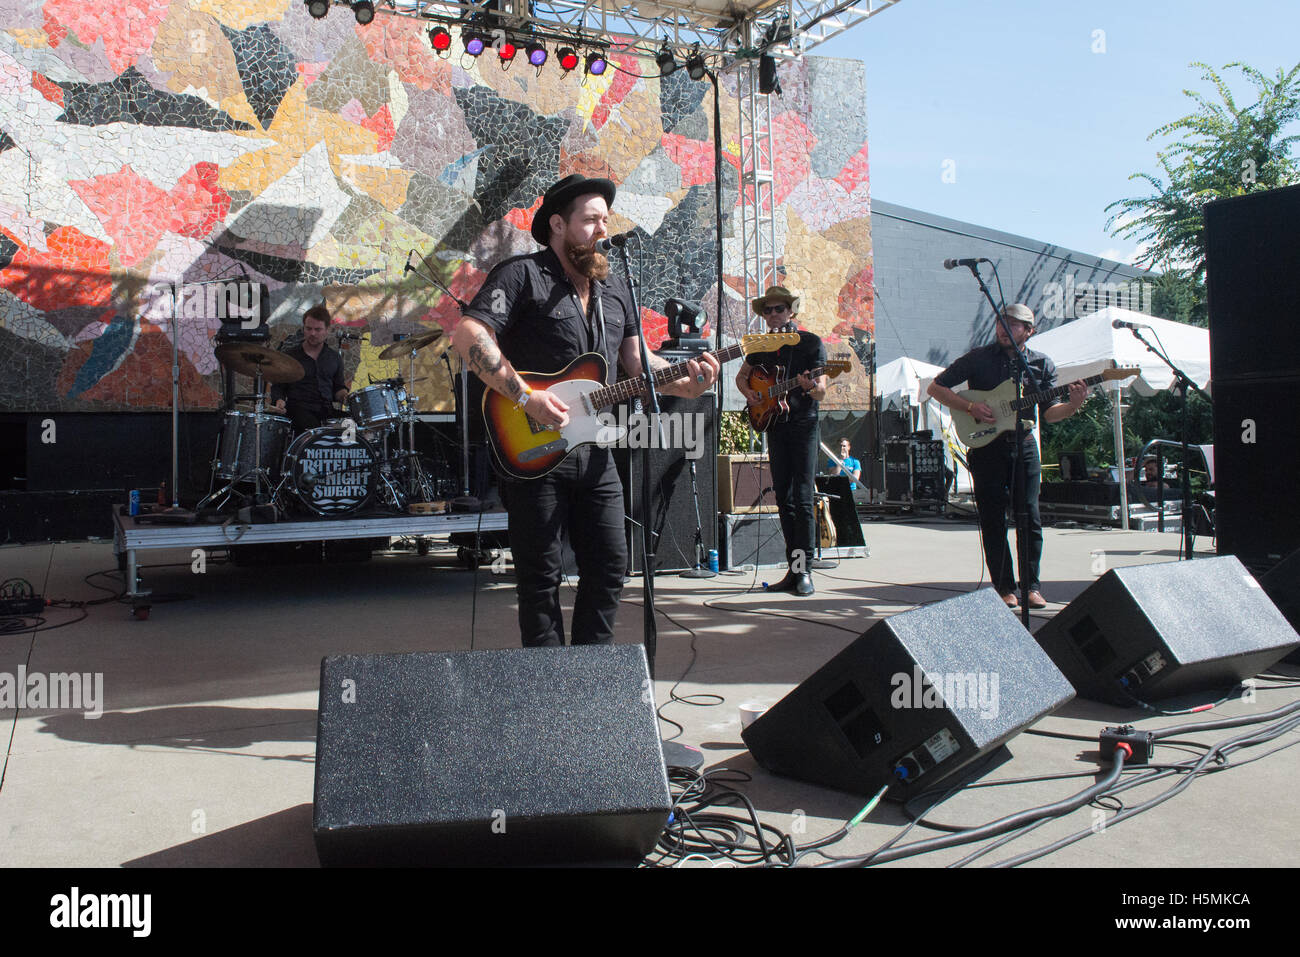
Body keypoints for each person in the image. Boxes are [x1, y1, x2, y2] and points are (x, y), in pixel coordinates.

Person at [453, 174, 720, 648]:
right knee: (540, 578)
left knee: (611, 563)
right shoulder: (521, 275)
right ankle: (549, 683)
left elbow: (641, 365)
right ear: (558, 223)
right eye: (591, 219)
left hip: (596, 451)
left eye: (605, 219)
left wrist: (689, 377)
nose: (602, 228)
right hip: (534, 451)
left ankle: (592, 675)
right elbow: (468, 336)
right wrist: (525, 396)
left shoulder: (616, 289)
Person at [926, 303, 1087, 609]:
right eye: (1001, 322)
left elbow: (1050, 414)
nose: (1004, 328)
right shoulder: (978, 358)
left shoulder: (1041, 364)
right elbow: (937, 388)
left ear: (1029, 330)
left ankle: (1032, 586)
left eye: (1013, 325)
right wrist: (970, 407)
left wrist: (1074, 405)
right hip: (986, 447)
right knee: (992, 517)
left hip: (1023, 442)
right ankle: (1004, 587)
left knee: (1029, 515)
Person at [736, 285, 828, 596]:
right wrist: (750, 395)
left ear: (791, 311)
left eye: (779, 309)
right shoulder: (760, 345)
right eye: (767, 310)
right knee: (784, 499)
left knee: (802, 499)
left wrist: (810, 386)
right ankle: (793, 569)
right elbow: (742, 375)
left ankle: (805, 572)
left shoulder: (810, 343)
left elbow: (822, 390)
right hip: (775, 425)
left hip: (803, 425)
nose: (773, 314)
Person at [271, 304, 349, 433]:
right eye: (308, 328)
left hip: (326, 410)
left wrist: (345, 397)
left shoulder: (334, 357)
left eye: (318, 329)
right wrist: (279, 400)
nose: (312, 333)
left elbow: (338, 388)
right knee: (313, 428)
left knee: (352, 426)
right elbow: (278, 387)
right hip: (298, 410)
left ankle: (346, 453)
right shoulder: (290, 356)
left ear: (327, 330)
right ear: (303, 328)